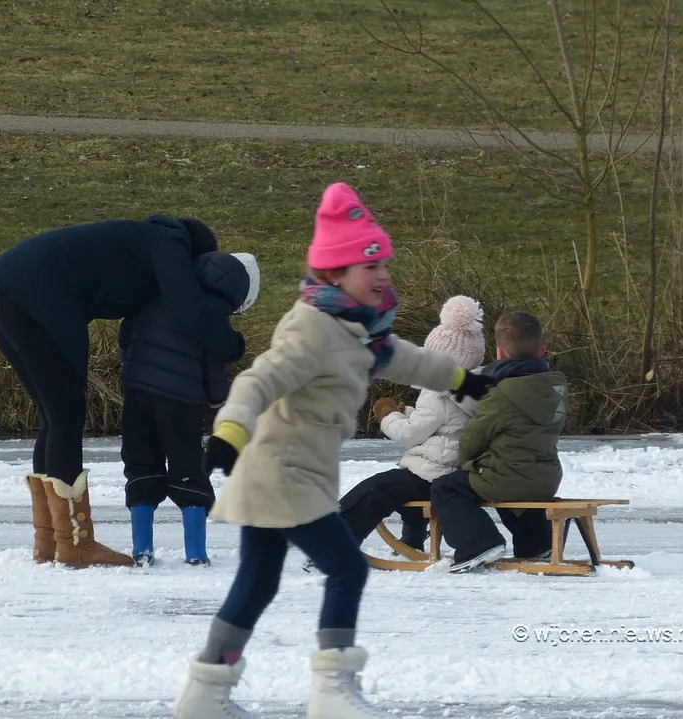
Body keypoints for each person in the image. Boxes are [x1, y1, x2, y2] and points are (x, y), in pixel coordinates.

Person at [171, 183, 498, 719]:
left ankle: (205, 694)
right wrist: (230, 430)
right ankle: (333, 692)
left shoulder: (356, 332)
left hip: (288, 472)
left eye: (384, 265)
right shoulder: (314, 329)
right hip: (284, 473)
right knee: (348, 568)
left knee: (256, 583)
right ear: (335, 274)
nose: (383, 275)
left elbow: (406, 360)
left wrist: (460, 377)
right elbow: (259, 379)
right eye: (371, 267)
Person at [0, 216, 244, 569]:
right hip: (35, 293)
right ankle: (76, 545)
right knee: (65, 416)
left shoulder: (141, 242)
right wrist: (230, 345)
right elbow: (188, 308)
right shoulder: (169, 239)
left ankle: (51, 541)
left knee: (53, 416)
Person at [119, 250, 260, 566]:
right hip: (180, 401)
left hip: (138, 393)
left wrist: (135, 365)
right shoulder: (209, 315)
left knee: (141, 463)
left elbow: (127, 335)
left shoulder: (158, 293)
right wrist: (223, 404)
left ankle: (142, 549)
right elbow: (212, 367)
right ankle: (195, 553)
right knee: (188, 468)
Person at [323, 295, 486, 561]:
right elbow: (445, 424)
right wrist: (407, 412)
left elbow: (410, 434)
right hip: (455, 471)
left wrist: (387, 416)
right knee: (403, 480)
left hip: (435, 471)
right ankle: (412, 540)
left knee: (378, 488)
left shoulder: (437, 392)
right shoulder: (478, 386)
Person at [430, 310, 567, 573]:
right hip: (546, 478)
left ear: (500, 353)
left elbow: (474, 437)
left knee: (447, 488)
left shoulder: (502, 393)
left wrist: (467, 463)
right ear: (543, 350)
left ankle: (478, 543)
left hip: (508, 478)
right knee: (509, 479)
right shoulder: (557, 388)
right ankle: (536, 543)